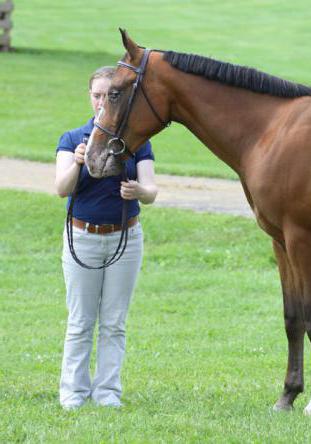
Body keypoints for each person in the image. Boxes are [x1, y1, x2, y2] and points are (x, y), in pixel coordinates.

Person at [54, 66, 158, 410]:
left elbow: (152, 192)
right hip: (82, 236)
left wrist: (139, 190)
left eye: (107, 95)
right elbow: (61, 189)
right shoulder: (73, 139)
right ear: (89, 97)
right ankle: (73, 393)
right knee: (81, 321)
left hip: (125, 238)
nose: (101, 101)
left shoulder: (135, 141)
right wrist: (78, 163)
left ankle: (107, 393)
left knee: (114, 323)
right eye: (96, 95)